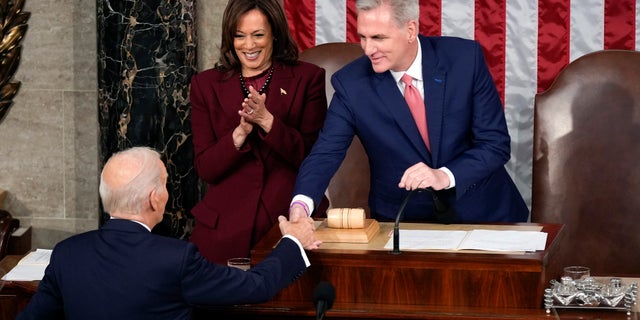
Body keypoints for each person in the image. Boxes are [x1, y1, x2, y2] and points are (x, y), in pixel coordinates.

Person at [290, 0, 528, 224]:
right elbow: (325, 153)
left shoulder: (465, 59)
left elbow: (495, 144)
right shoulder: (351, 84)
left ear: (411, 30)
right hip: (404, 222)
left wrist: (443, 175)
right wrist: (301, 203)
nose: (368, 49)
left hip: (484, 214)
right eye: (362, 37)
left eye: (378, 38)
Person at [17, 147, 320, 320]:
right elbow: (257, 287)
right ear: (154, 198)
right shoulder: (176, 259)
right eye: (163, 183)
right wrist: (294, 240)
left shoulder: (68, 253)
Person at [189, 0, 328, 264]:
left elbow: (314, 159)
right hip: (223, 229)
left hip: (286, 224)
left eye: (258, 35)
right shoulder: (204, 85)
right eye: (239, 36)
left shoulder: (308, 78)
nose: (248, 45)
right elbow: (205, 168)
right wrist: (238, 135)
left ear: (274, 33)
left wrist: (268, 123)